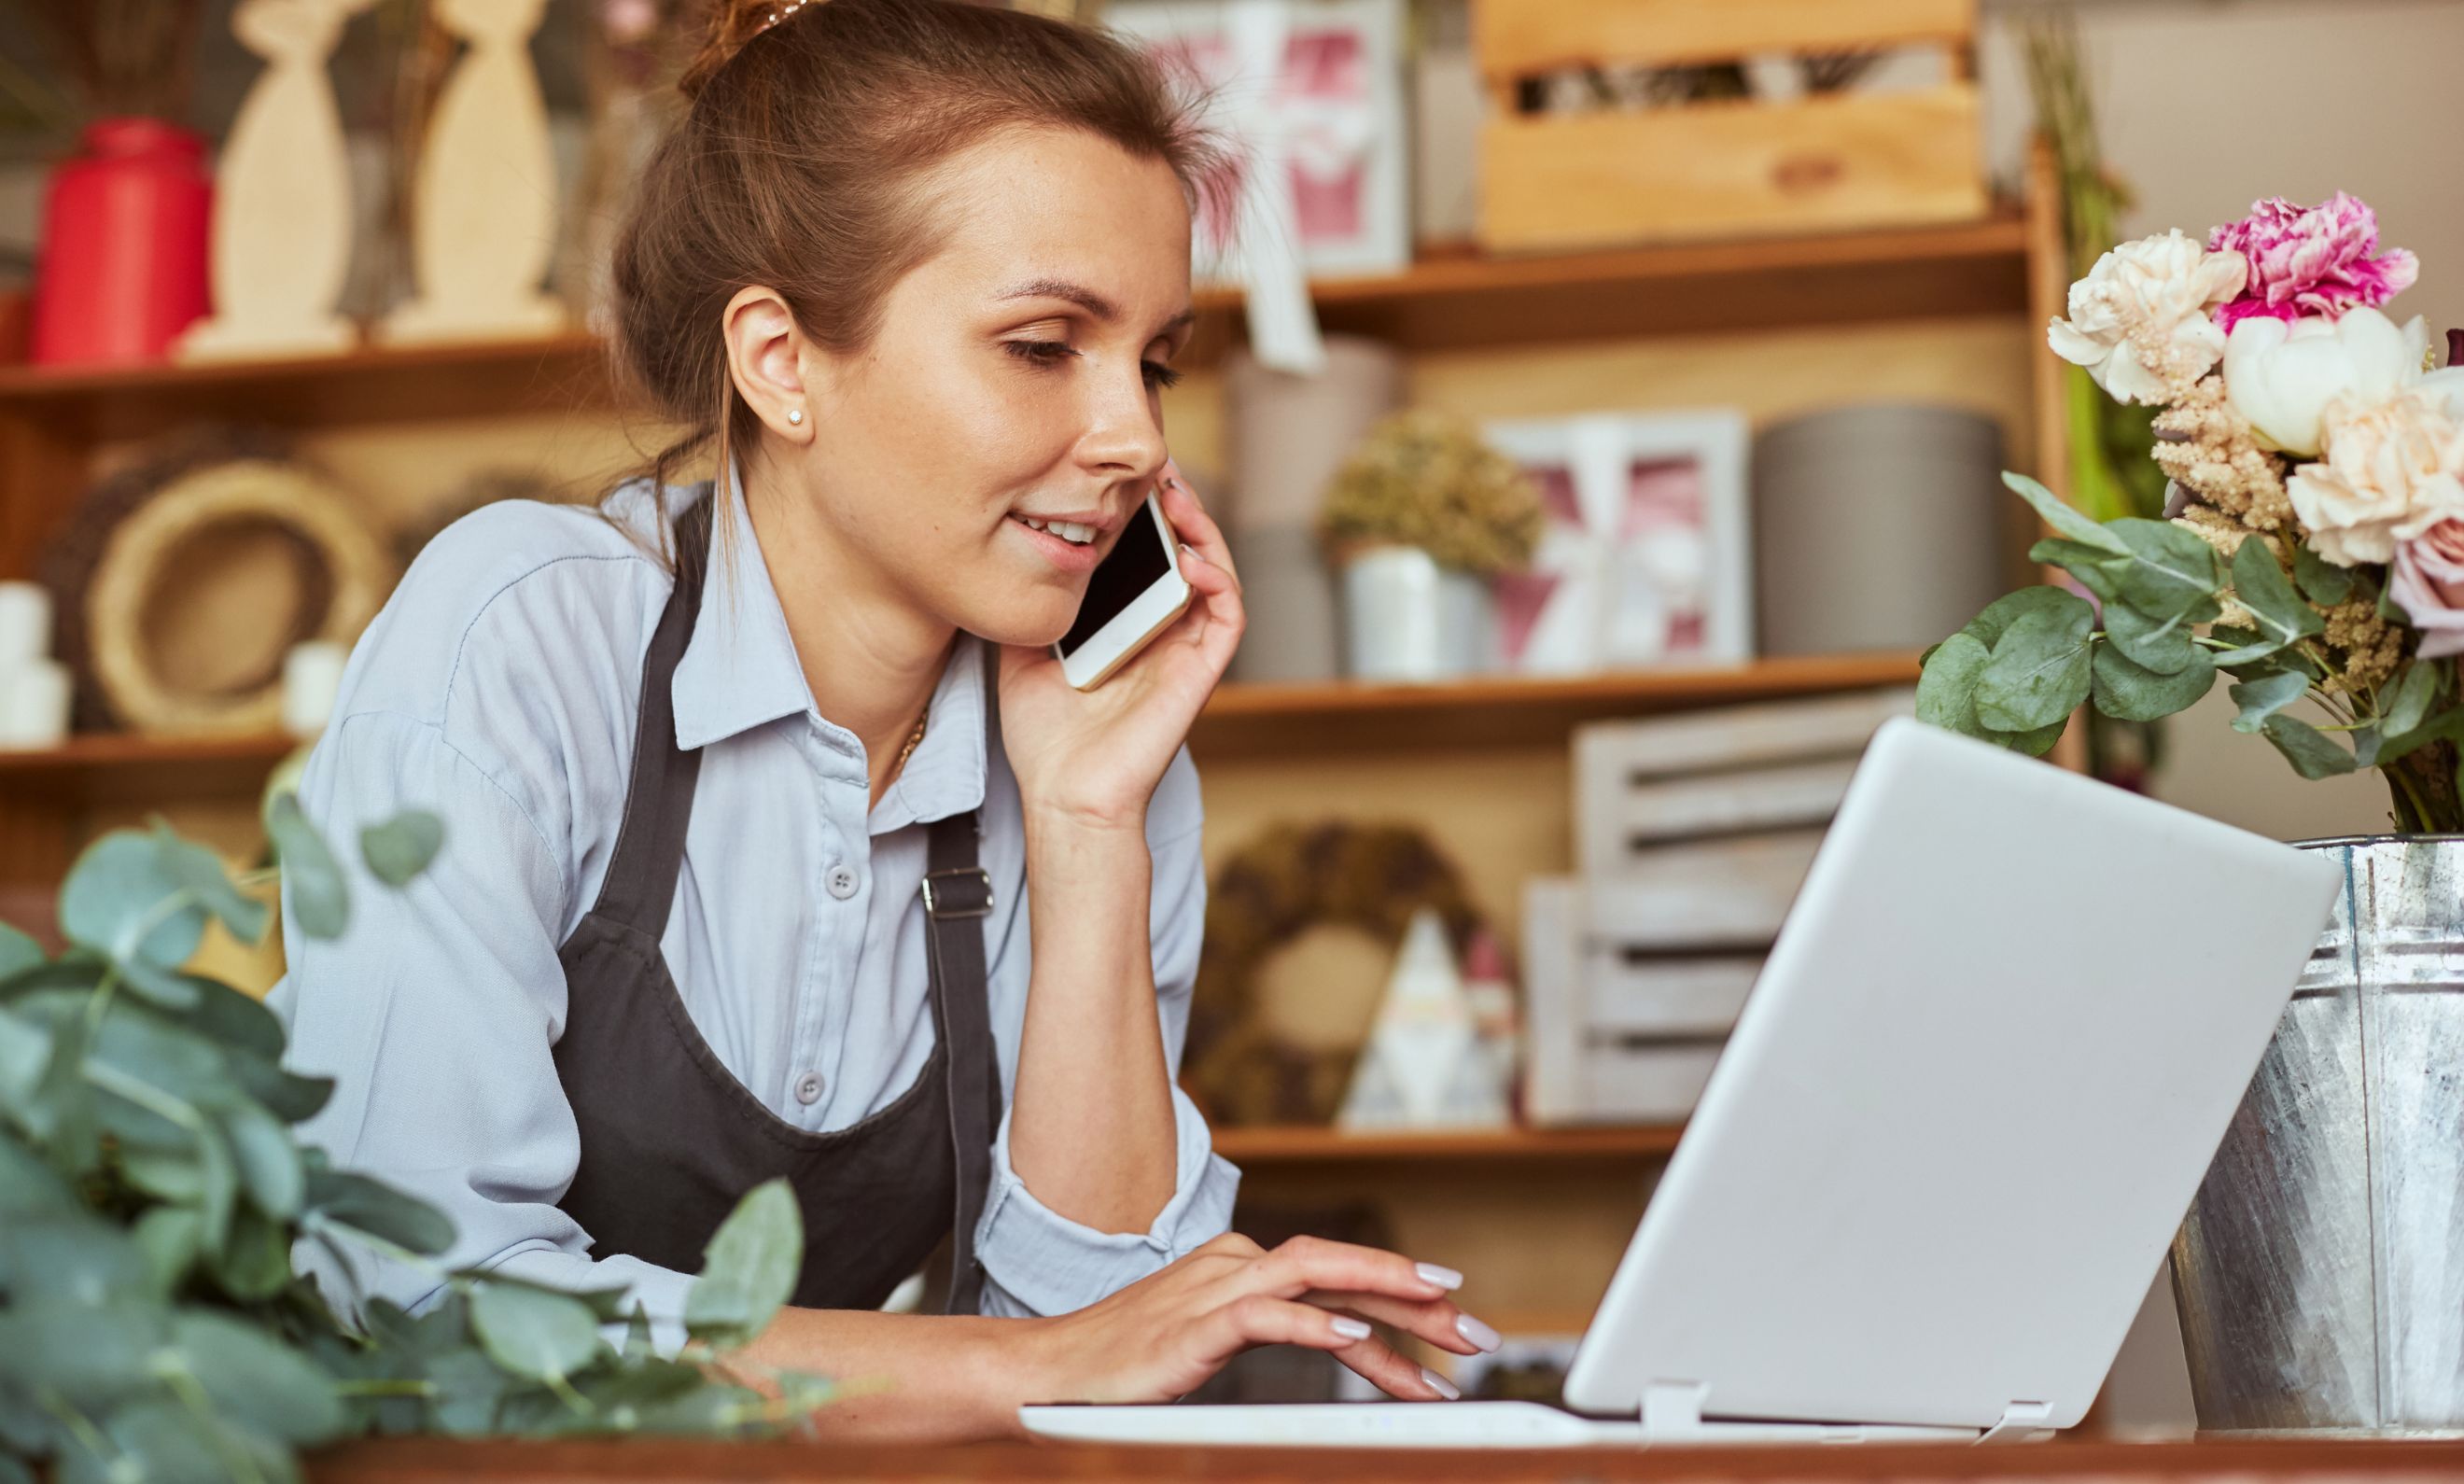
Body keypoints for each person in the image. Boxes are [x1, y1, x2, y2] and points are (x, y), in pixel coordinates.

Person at [272, 0, 1496, 1442]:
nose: (1141, 438)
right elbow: (424, 1298)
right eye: (1046, 345)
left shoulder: (1090, 740)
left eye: (1154, 360)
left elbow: (1108, 1356)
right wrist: (1005, 1368)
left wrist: (1091, 822)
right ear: (782, 361)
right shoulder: (523, 635)